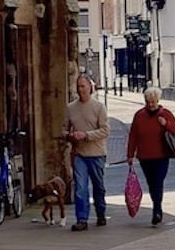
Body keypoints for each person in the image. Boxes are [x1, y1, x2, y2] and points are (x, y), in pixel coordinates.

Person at [126, 87, 175, 226]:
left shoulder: (165, 114)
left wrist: (166, 124)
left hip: (161, 156)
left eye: (153, 102)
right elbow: (133, 136)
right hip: (145, 157)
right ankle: (157, 206)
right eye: (148, 102)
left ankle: (157, 210)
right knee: (151, 183)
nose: (150, 105)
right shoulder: (139, 115)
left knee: (158, 181)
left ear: (158, 101)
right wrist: (130, 154)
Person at [64, 74, 110, 231]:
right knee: (80, 188)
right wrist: (70, 136)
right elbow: (63, 130)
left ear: (90, 87)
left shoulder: (99, 107)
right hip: (80, 154)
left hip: (97, 153)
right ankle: (82, 219)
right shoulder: (70, 108)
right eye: (78, 87)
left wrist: (86, 135)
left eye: (83, 86)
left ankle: (101, 213)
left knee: (98, 187)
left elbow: (105, 130)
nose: (80, 90)